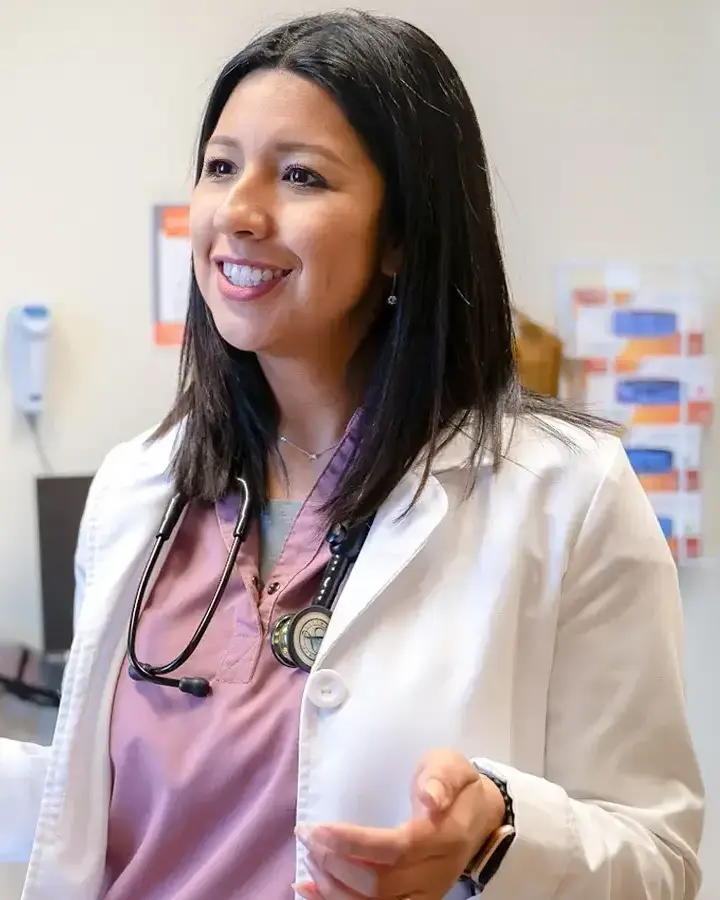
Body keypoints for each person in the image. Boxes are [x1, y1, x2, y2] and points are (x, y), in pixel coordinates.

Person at [0, 10, 704, 900]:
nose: (240, 211)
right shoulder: (138, 486)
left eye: (301, 176)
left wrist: (500, 828)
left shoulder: (566, 494)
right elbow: (111, 812)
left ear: (403, 232)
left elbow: (661, 861)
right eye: (221, 166)